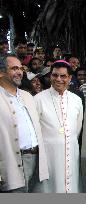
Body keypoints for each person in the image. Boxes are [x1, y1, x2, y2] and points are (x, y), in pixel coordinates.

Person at [0, 54, 49, 192]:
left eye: (21, 68)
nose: (20, 72)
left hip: (37, 161)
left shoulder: (27, 96)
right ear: (1, 72)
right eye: (14, 68)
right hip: (12, 164)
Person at [34, 60, 83, 193]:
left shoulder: (77, 100)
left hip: (71, 153)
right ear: (50, 76)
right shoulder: (38, 99)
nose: (58, 79)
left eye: (63, 76)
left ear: (70, 78)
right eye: (55, 75)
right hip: (49, 156)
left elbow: (76, 130)